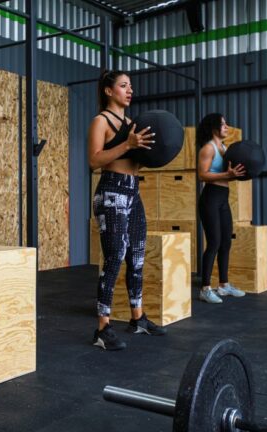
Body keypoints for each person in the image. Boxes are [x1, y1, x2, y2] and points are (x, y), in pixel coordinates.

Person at [87, 70, 167, 351]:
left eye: (130, 86)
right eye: (123, 86)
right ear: (109, 91)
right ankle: (102, 328)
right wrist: (127, 144)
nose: (129, 90)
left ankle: (138, 318)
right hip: (111, 193)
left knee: (137, 256)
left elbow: (136, 159)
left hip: (133, 191)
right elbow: (94, 161)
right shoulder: (101, 121)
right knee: (114, 258)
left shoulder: (133, 124)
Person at [196, 113, 247, 304]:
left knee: (226, 241)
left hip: (223, 198)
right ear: (213, 128)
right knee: (214, 242)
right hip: (210, 198)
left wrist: (234, 175)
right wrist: (227, 174)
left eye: (226, 124)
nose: (226, 127)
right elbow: (202, 175)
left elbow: (226, 175)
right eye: (223, 124)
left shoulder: (224, 148)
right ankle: (205, 289)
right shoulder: (208, 148)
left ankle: (224, 285)